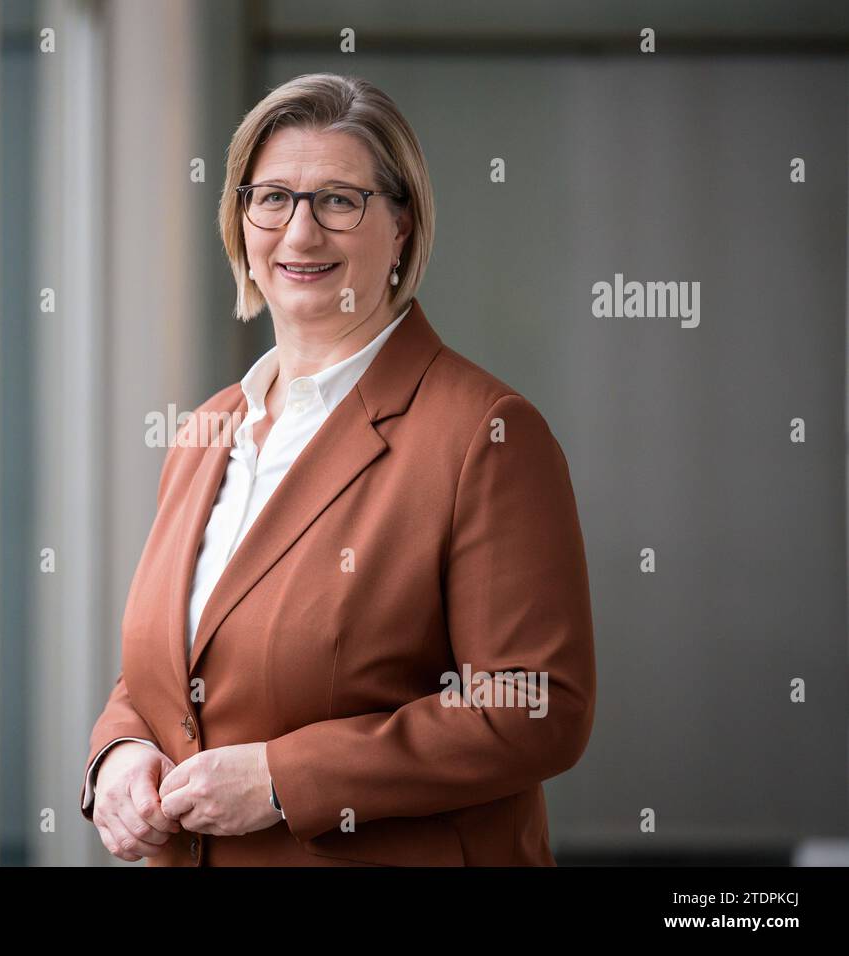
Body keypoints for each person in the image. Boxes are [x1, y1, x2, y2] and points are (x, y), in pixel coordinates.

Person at [80, 72, 595, 866]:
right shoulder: (210, 428)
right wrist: (117, 751)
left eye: (338, 201)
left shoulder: (484, 435)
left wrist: (284, 777)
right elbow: (175, 663)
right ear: (239, 221)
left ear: (401, 227)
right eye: (273, 198)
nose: (300, 233)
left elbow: (535, 707)